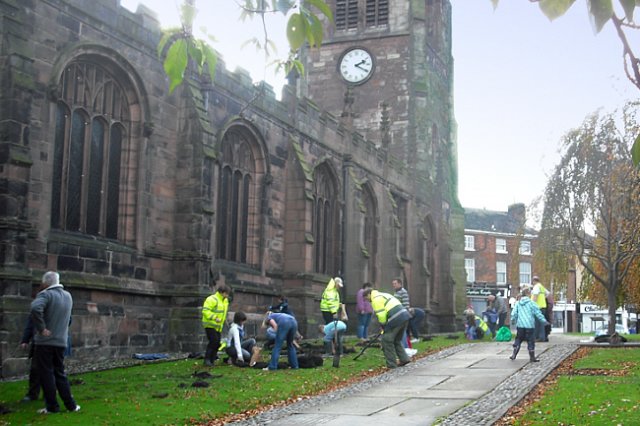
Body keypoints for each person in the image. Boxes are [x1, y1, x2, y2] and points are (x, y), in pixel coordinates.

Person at [30, 271, 80, 414]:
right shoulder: (68, 296)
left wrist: (42, 328)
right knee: (60, 373)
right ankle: (71, 405)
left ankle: (52, 407)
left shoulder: (45, 295)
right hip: (61, 341)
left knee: (46, 374)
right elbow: (68, 318)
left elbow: (35, 308)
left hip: (45, 342)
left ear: (46, 283)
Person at [363, 288, 412, 369]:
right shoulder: (383, 294)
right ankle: (404, 359)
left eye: (366, 298)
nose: (367, 301)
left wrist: (383, 326)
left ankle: (391, 365)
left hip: (396, 317)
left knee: (386, 340)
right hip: (404, 315)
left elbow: (381, 315)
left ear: (368, 294)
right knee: (396, 340)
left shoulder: (375, 299)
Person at [509, 287, 550, 362]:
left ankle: (514, 353)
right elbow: (538, 313)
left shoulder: (518, 303)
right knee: (530, 340)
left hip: (520, 325)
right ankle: (532, 357)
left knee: (518, 339)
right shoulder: (532, 303)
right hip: (530, 325)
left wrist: (513, 320)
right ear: (528, 294)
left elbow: (514, 313)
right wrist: (544, 321)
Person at [202, 283, 231, 366]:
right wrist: (215, 317)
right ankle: (207, 360)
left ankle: (212, 360)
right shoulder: (212, 299)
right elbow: (205, 311)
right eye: (227, 293)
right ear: (222, 292)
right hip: (210, 325)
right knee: (213, 341)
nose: (227, 295)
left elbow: (223, 313)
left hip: (218, 326)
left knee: (217, 343)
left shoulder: (225, 301)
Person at [531, 276, 550, 341]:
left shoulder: (536, 287)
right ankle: (542, 337)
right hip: (543, 306)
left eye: (533, 281)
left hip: (538, 307)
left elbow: (535, 296)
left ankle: (538, 337)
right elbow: (548, 293)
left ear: (534, 281)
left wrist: (532, 305)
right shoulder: (541, 287)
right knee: (541, 323)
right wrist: (543, 298)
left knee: (537, 323)